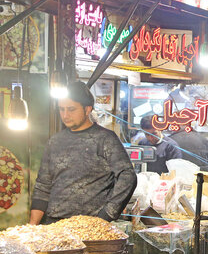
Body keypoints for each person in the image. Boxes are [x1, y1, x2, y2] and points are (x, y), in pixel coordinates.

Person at [30, 81, 137, 224]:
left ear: (87, 110)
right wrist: (32, 226)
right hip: (53, 224)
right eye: (62, 109)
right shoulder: (55, 141)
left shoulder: (105, 139)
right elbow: (43, 185)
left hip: (89, 226)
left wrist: (106, 216)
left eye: (71, 109)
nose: (65, 115)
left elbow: (127, 176)